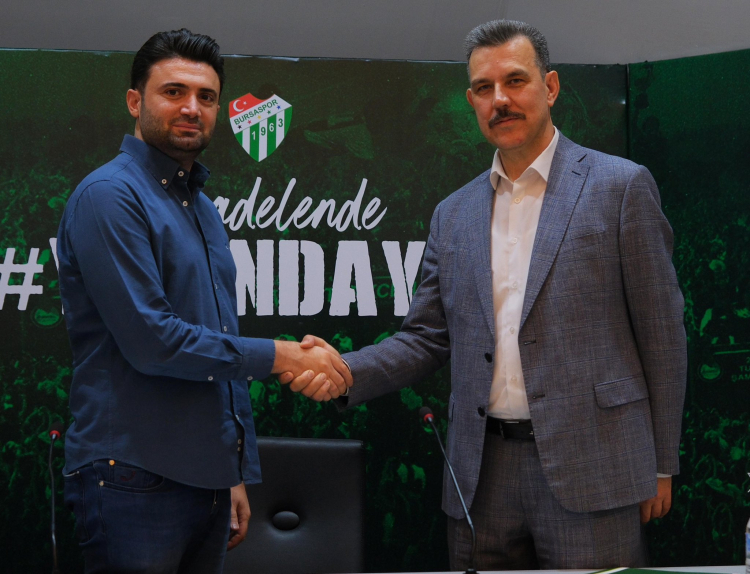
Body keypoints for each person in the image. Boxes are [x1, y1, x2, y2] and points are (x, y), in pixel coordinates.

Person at [287, 19, 687, 570]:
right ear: (471, 101)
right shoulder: (453, 214)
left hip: (596, 467)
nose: (500, 99)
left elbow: (663, 335)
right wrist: (345, 370)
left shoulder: (620, 186)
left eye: (515, 81)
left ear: (550, 87)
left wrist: (661, 463)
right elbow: (425, 338)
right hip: (482, 476)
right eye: (483, 87)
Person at [56, 29, 350, 574]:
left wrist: (229, 470)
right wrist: (282, 355)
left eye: (206, 96)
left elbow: (215, 343)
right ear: (135, 101)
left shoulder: (201, 207)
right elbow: (154, 342)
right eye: (174, 92)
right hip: (131, 478)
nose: (192, 107)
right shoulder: (109, 196)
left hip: (205, 480)